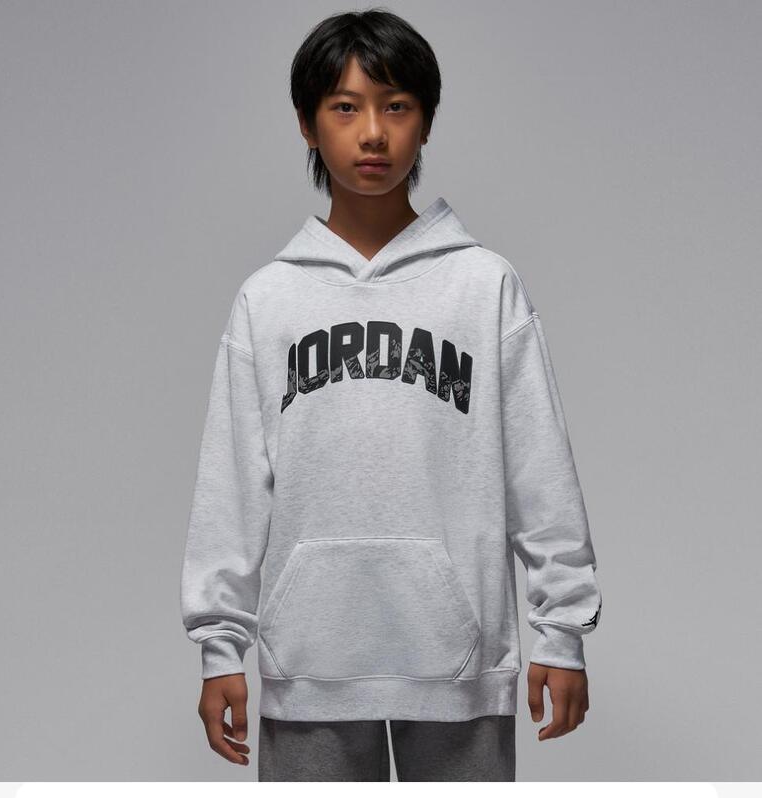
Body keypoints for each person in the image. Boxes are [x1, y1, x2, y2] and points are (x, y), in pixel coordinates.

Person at [180, 8, 603, 782]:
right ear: (307, 125)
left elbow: (539, 469)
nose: (373, 133)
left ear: (426, 121)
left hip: (460, 666)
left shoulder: (484, 286)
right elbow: (231, 487)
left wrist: (562, 631)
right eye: (346, 107)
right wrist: (219, 648)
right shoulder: (268, 301)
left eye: (396, 106)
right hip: (309, 664)